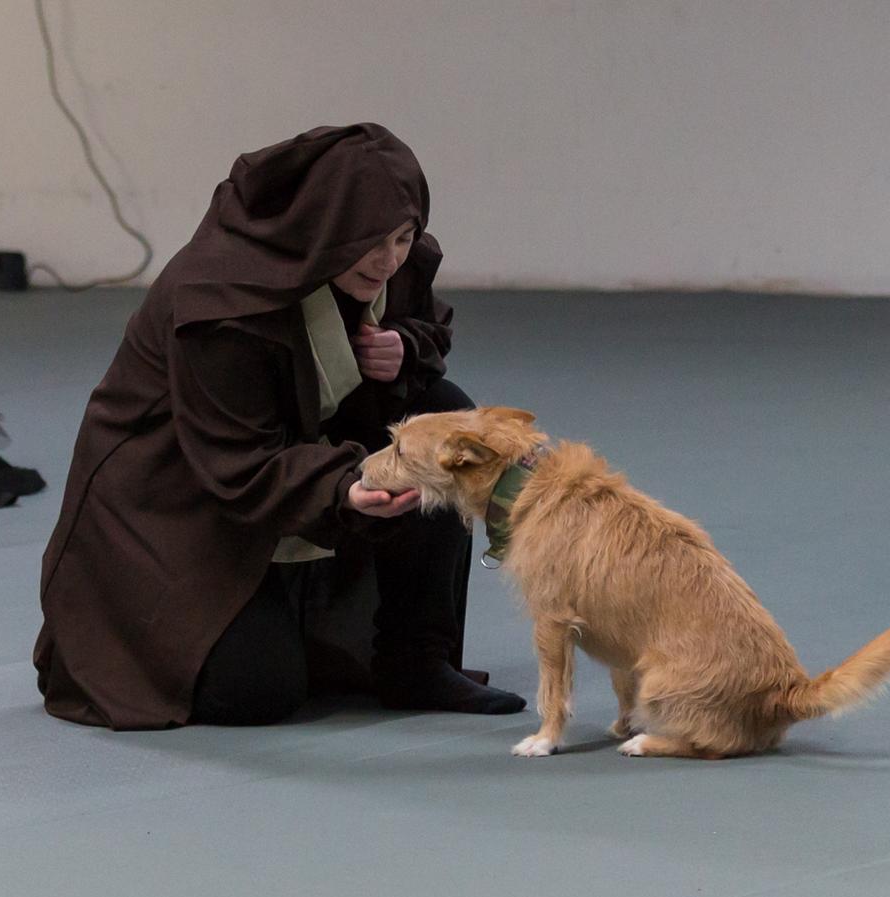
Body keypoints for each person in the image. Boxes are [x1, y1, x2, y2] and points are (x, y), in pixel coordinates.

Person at [33, 123, 526, 729]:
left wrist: (404, 347)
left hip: (290, 460)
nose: (390, 259)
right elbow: (234, 459)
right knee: (255, 691)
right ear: (326, 226)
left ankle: (415, 657)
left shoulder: (383, 262)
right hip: (175, 498)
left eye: (404, 238)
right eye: (373, 242)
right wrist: (344, 487)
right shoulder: (221, 301)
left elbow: (426, 325)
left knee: (440, 421)